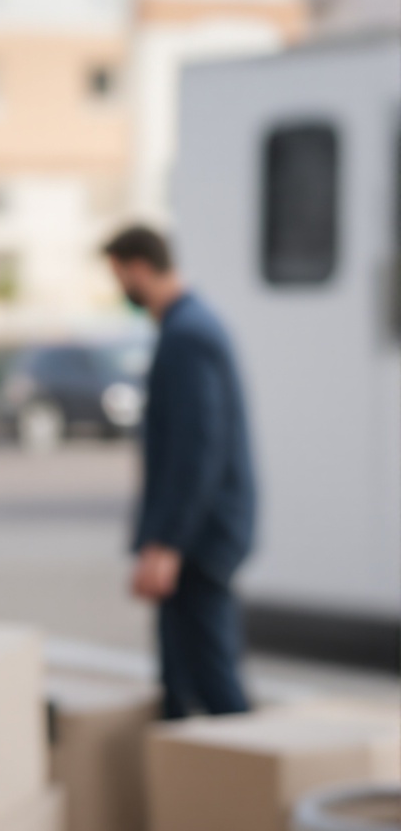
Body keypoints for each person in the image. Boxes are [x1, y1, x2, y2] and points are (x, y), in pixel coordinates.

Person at [103, 224, 256, 718]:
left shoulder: (188, 335)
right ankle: (189, 787)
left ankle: (248, 785)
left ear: (139, 269)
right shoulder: (188, 326)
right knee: (179, 681)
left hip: (198, 543)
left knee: (211, 682)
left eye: (119, 276)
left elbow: (197, 450)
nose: (120, 288)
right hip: (195, 538)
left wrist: (166, 545)